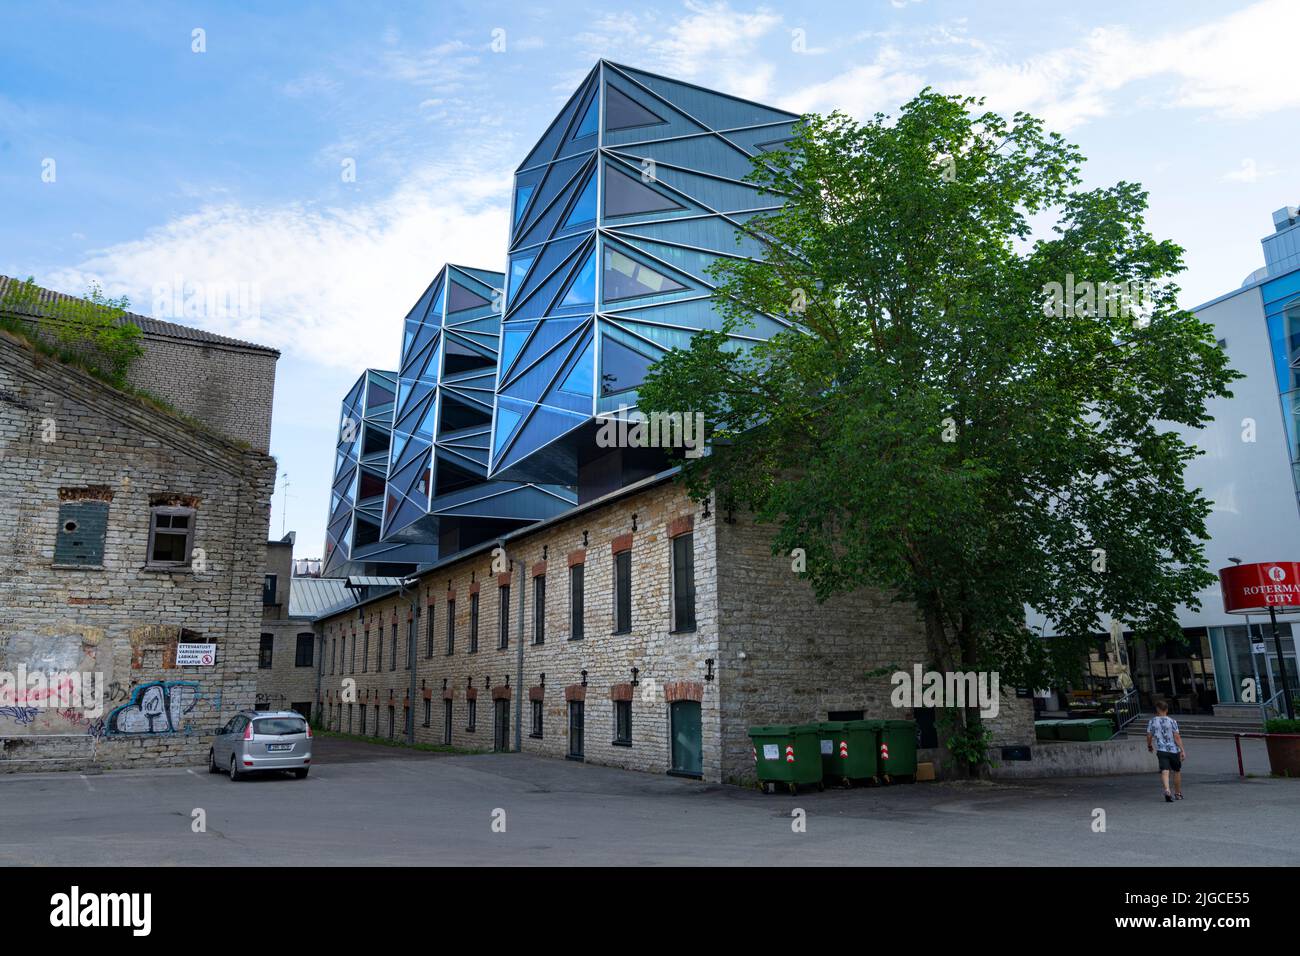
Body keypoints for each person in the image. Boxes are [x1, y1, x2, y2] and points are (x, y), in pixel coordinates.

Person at [1145, 699, 1186, 802]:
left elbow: (1149, 736)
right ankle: (1177, 793)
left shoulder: (1152, 721)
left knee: (1165, 770)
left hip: (1161, 750)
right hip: (1174, 750)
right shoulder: (1172, 721)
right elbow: (1177, 737)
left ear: (1157, 709)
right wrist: (1182, 750)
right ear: (1166, 709)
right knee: (1177, 771)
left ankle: (1167, 790)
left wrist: (1149, 745)